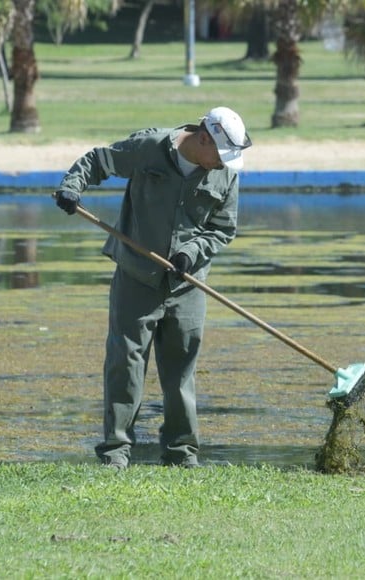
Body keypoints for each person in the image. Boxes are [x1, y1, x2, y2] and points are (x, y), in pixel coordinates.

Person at [53, 107, 252, 469]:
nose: (223, 164)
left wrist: (191, 254)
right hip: (136, 276)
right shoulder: (149, 147)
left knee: (180, 370)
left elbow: (223, 229)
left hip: (187, 284)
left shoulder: (226, 175)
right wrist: (72, 187)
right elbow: (98, 161)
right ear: (204, 137)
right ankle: (115, 452)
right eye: (220, 156)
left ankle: (182, 453)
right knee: (125, 363)